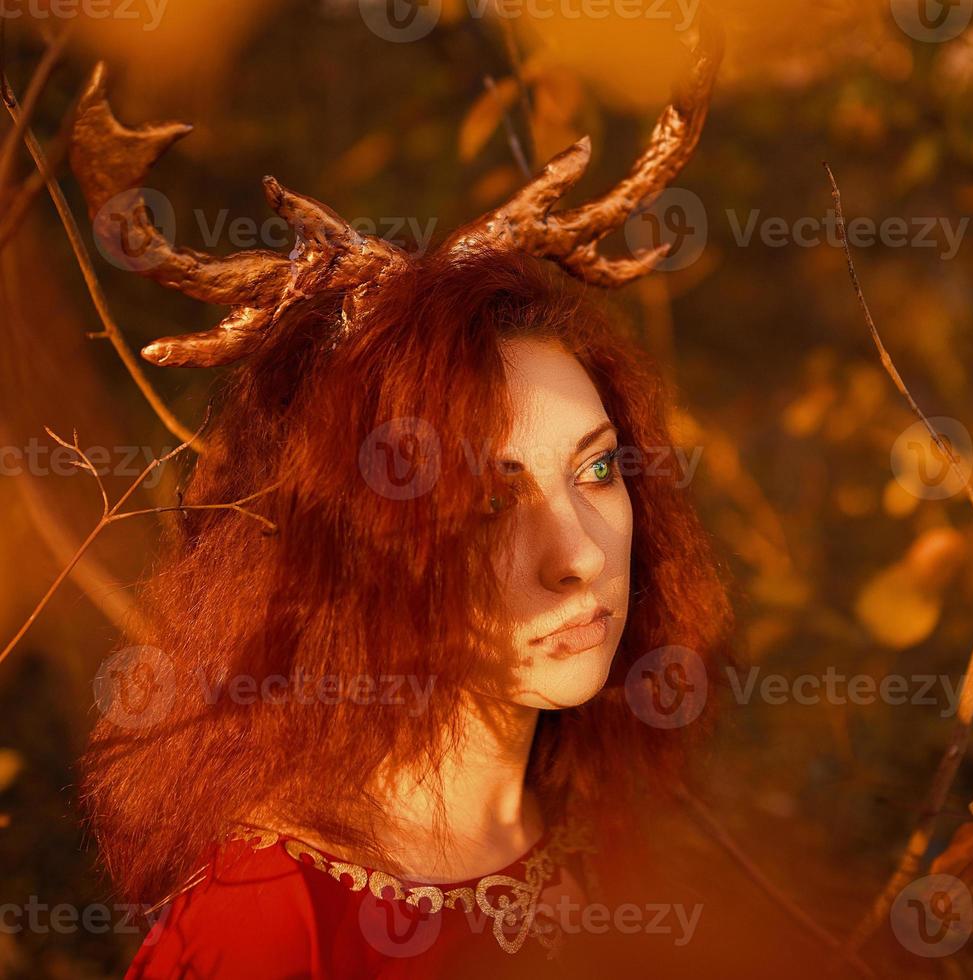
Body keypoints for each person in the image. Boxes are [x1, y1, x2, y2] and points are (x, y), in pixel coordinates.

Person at [81, 244, 731, 977]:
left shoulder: (597, 816)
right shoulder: (272, 917)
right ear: (357, 550)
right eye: (489, 502)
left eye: (598, 468)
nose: (579, 556)